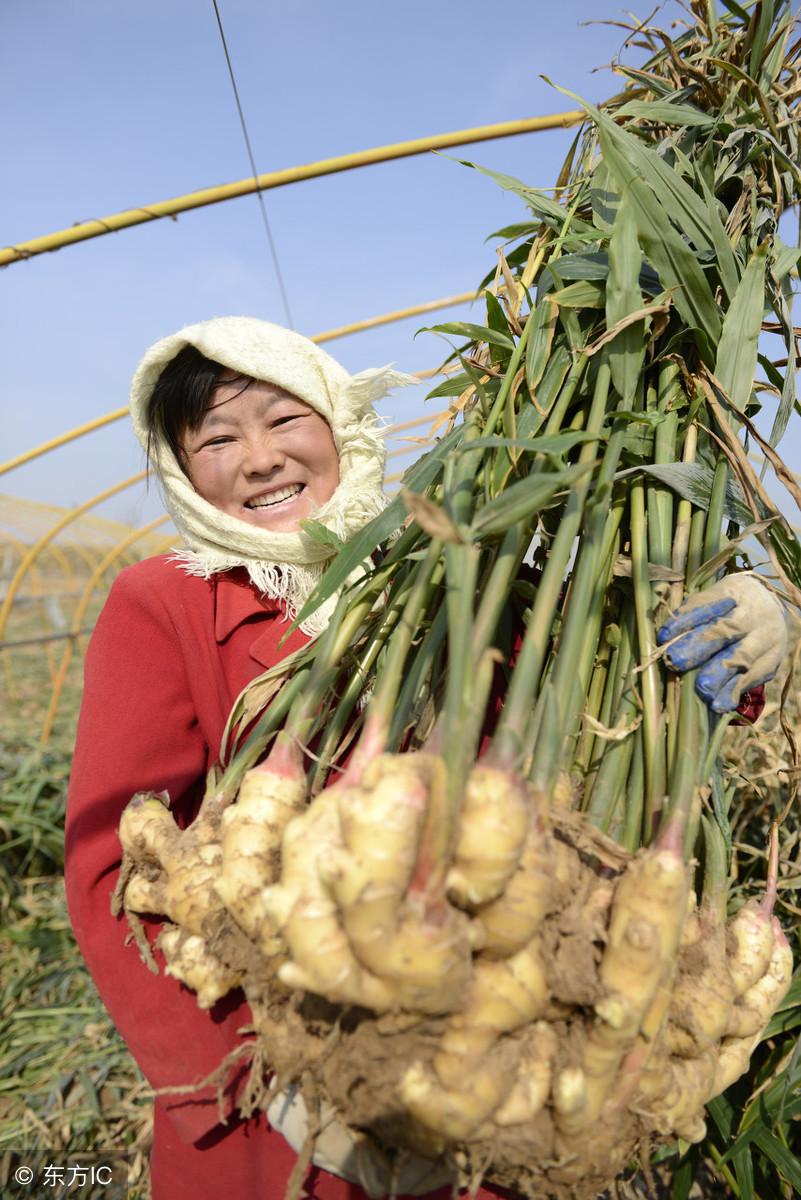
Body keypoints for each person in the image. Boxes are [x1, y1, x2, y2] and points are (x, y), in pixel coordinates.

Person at [65, 316, 788, 1200]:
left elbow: (615, 673)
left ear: (339, 426)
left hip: (482, 1066)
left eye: (284, 421)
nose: (258, 458)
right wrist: (239, 1083)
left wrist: (743, 616)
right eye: (217, 437)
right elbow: (111, 873)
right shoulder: (164, 603)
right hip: (277, 1107)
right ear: (183, 469)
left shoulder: (443, 565)